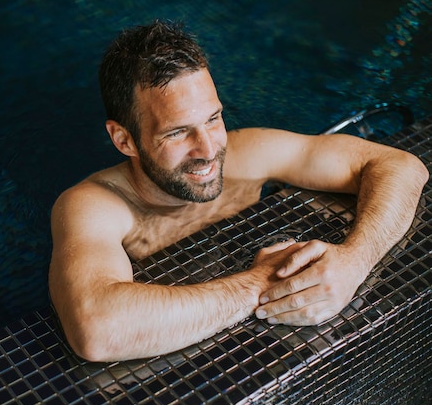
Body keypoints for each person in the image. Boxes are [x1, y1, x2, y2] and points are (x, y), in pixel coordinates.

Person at [48, 21, 428, 362]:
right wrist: (261, 283)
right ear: (125, 139)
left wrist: (355, 260)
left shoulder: (249, 153)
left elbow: (402, 166)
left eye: (213, 119)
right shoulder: (96, 206)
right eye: (178, 132)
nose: (209, 149)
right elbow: (97, 327)